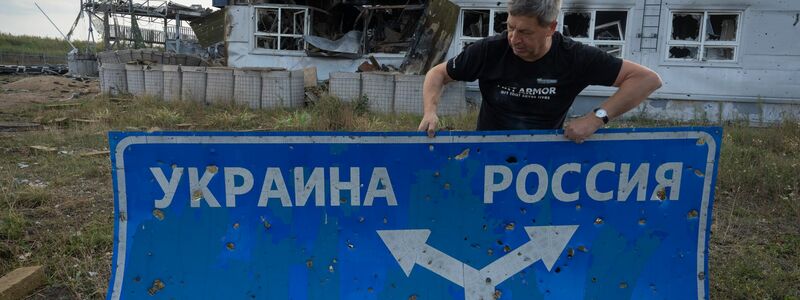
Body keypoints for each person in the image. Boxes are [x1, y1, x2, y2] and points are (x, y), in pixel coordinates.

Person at [417, 0, 662, 143]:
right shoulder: (490, 50)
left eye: (525, 32)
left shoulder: (574, 57)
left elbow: (646, 79)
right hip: (489, 150)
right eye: (510, 27)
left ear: (550, 28)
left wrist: (595, 119)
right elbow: (437, 74)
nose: (514, 39)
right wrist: (430, 112)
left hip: (545, 155)